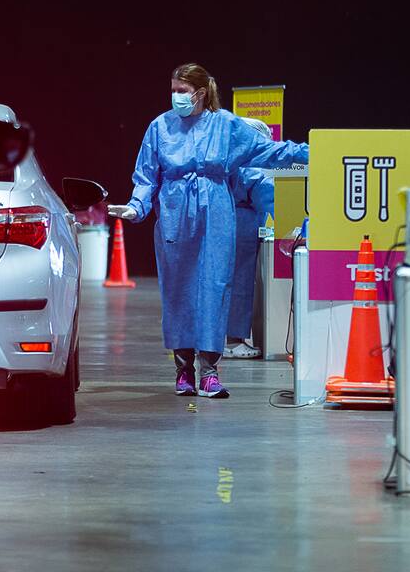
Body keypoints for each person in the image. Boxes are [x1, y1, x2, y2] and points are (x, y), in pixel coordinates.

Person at [107, 64, 308, 398]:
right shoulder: (160, 127)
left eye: (182, 90)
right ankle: (184, 368)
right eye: (173, 89)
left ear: (200, 93)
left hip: (216, 212)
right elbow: (146, 175)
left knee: (215, 286)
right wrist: (136, 206)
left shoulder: (226, 125)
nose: (176, 96)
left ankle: (210, 371)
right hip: (174, 212)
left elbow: (268, 150)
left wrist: (311, 152)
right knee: (178, 289)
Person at [223, 121, 276, 359]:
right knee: (240, 285)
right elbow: (268, 197)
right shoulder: (249, 166)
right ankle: (234, 341)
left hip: (221, 225)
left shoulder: (226, 160)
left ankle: (205, 340)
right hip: (241, 229)